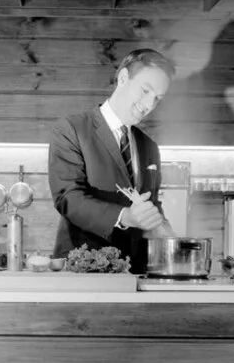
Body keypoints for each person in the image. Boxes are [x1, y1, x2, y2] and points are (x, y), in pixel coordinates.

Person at [48, 48, 176, 274]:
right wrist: (124, 216)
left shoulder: (149, 146)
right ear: (124, 78)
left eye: (158, 98)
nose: (149, 105)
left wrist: (167, 234)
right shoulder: (72, 129)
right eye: (145, 90)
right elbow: (68, 198)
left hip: (135, 270)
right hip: (83, 267)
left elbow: (149, 205)